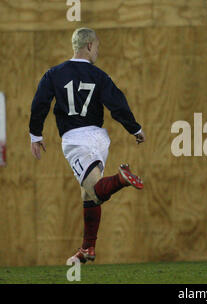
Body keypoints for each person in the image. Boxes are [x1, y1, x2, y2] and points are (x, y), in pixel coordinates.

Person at [29, 28, 146, 264]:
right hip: (99, 139)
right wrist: (134, 128)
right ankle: (87, 249)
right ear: (90, 46)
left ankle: (121, 179)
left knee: (94, 190)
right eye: (98, 47)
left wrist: (35, 134)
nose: (98, 52)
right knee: (89, 194)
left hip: (75, 140)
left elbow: (40, 102)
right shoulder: (100, 76)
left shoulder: (54, 74)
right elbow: (117, 103)